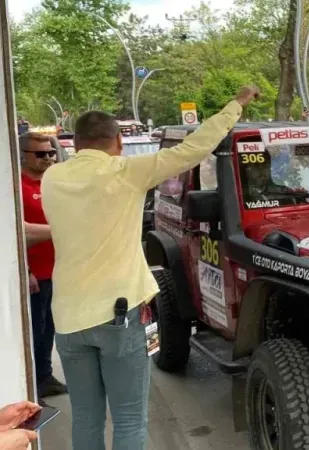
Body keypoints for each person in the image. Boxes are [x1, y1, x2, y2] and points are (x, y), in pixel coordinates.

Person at [41, 85, 260, 449]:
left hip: (67, 318)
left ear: (76, 144)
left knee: (86, 417)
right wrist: (235, 105)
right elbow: (194, 148)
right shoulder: (126, 171)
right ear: (118, 142)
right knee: (128, 418)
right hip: (117, 315)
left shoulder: (52, 178)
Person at [19, 132, 68, 400]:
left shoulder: (54, 185)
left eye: (51, 153)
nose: (48, 158)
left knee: (49, 328)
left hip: (57, 272)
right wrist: (25, 271)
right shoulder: (15, 188)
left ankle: (45, 377)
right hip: (34, 275)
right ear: (23, 156)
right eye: (41, 154)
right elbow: (15, 233)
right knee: (34, 332)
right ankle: (31, 385)